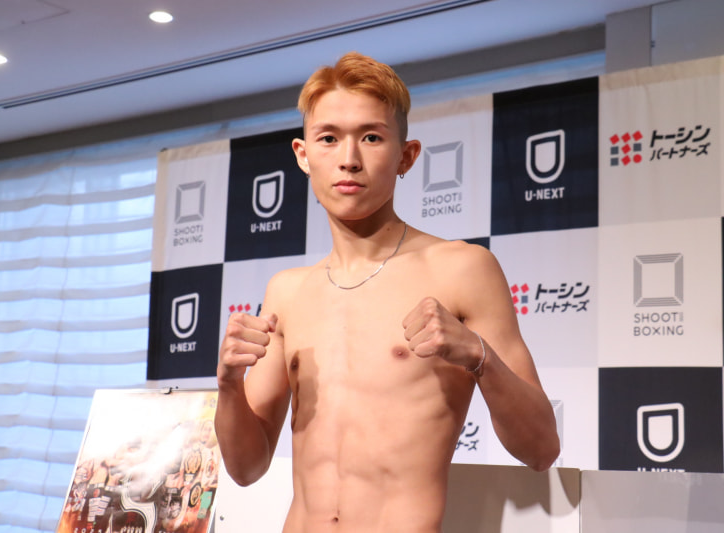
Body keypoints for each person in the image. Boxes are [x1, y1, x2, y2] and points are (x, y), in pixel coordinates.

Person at [215, 51, 560, 532]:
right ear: (303, 155)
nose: (349, 159)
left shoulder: (461, 269)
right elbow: (245, 467)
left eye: (371, 137)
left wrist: (479, 355)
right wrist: (229, 385)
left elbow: (541, 449)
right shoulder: (287, 292)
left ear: (406, 156)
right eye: (329, 138)